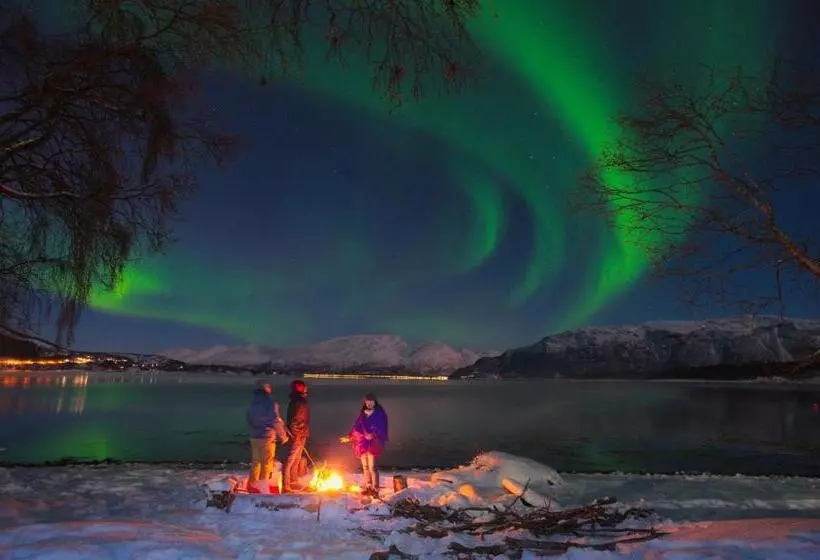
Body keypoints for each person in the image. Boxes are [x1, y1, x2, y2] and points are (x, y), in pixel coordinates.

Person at [341, 392, 389, 496]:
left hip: (373, 444)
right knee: (365, 467)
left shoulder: (380, 414)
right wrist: (349, 437)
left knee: (372, 467)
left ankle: (375, 488)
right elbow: (356, 428)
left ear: (374, 402)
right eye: (367, 402)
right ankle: (368, 486)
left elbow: (382, 427)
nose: (369, 404)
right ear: (365, 403)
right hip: (362, 444)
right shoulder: (362, 414)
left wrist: (373, 434)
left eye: (371, 402)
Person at [245, 380, 288, 489]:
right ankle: (263, 487)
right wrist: (283, 436)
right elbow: (275, 420)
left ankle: (252, 485)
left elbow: (249, 419)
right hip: (267, 436)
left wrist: (254, 429)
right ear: (266, 389)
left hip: (254, 437)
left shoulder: (252, 403)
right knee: (267, 462)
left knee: (256, 462)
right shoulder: (271, 402)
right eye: (269, 387)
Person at [283, 379, 310, 492]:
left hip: (301, 433)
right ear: (301, 389)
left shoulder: (299, 401)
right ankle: (286, 484)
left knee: (297, 459)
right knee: (291, 459)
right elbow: (295, 421)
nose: (307, 389)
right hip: (297, 435)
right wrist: (297, 435)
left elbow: (301, 419)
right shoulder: (298, 402)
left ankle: (293, 481)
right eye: (305, 387)